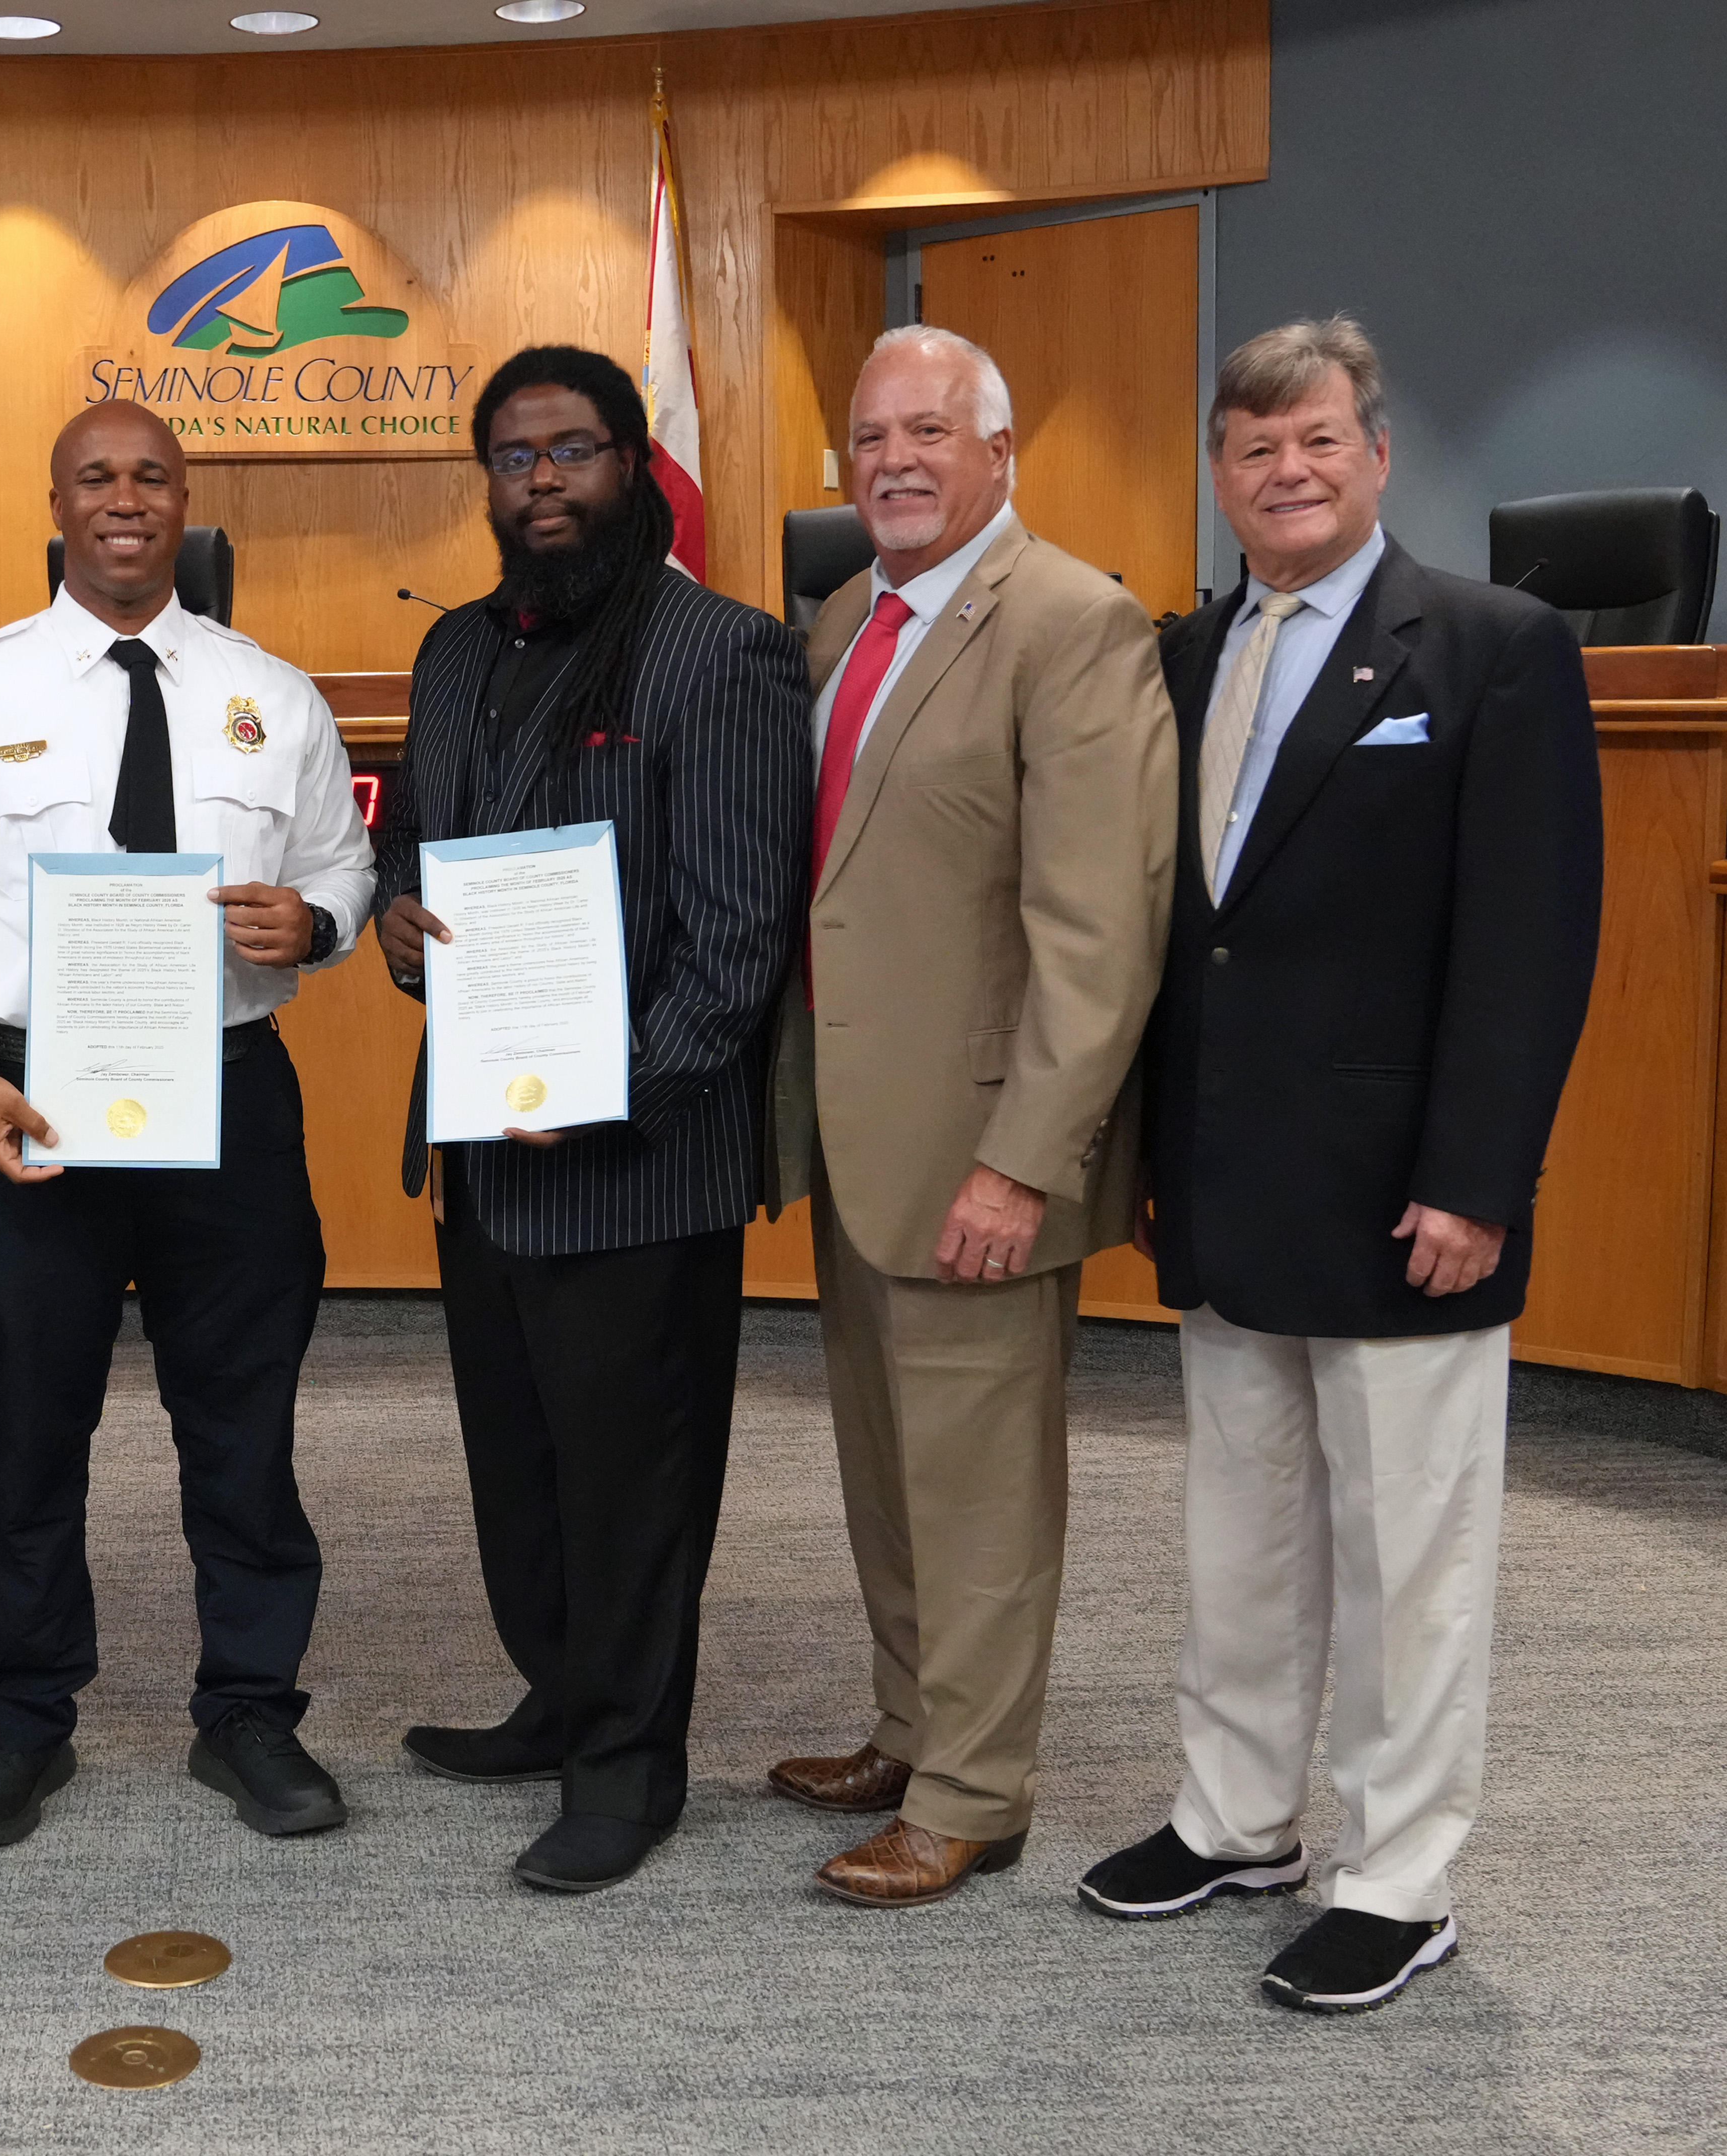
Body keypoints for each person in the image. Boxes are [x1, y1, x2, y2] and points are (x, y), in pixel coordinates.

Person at [1073, 318, 1600, 2014]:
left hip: (1406, 1197)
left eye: (1315, 441)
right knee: (1240, 1533)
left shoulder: (1491, 645)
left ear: (1377, 453)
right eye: (1252, 449)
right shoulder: (1184, 651)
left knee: (1408, 1556)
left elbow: (1529, 942)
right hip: (1230, 1185)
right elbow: (1182, 934)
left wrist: (1479, 1176)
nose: (1284, 473)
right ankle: (1234, 1820)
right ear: (1219, 475)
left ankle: (1399, 1873)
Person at [0, 400, 376, 1851]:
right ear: (59, 503)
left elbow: (339, 872)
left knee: (247, 1424)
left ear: (188, 498)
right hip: (31, 1100)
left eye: (152, 476)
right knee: (33, 1429)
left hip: (229, 1089)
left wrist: (318, 919)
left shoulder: (273, 696)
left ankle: (253, 1718)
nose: (127, 499)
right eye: (98, 478)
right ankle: (22, 1722)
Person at [372, 345, 810, 1894]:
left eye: (570, 450)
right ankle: (560, 1697)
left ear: (636, 463)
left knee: (632, 1478)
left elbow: (742, 935)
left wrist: (609, 1087)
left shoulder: (723, 653)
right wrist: (400, 920)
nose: (540, 481)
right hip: (487, 1151)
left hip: (636, 1163)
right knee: (521, 1459)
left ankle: (630, 1767)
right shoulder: (454, 653)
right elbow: (410, 855)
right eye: (511, 456)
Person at [763, 324, 1174, 1911]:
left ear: (1001, 452)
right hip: (860, 1139)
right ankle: (909, 1725)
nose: (897, 463)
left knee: (984, 1483)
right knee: (889, 1460)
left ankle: (978, 1792)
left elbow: (1101, 927)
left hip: (983, 1148)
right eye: (871, 439)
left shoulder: (1071, 623)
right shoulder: (845, 621)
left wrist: (1026, 1160)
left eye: (930, 431)